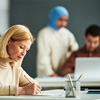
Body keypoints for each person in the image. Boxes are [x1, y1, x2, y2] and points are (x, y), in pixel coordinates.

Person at [37, 6, 79, 77]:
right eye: (60, 19)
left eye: (65, 20)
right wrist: (50, 73)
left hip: (64, 75)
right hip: (48, 76)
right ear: (53, 17)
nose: (63, 23)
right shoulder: (44, 33)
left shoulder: (68, 34)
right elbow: (43, 57)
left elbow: (74, 51)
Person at [0, 25, 41, 95]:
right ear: (8, 41)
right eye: (21, 47)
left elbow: (34, 84)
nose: (24, 53)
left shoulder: (15, 66)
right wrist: (22, 90)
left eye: (26, 50)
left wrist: (33, 87)